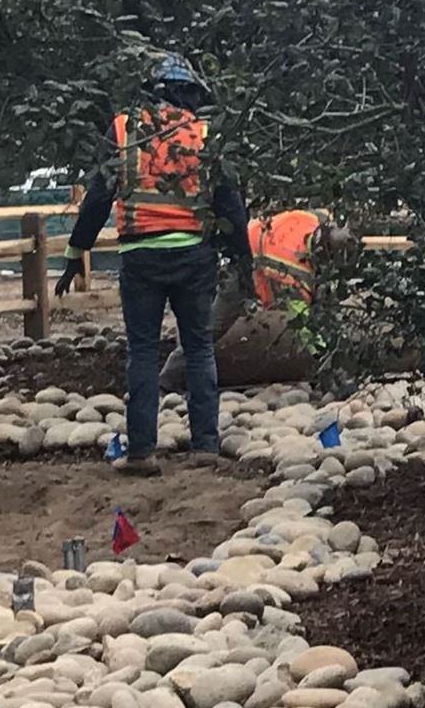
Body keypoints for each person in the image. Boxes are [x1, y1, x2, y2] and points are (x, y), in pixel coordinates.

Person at [57, 54, 250, 474]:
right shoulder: (203, 135)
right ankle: (204, 447)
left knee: (143, 351)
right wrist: (244, 262)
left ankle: (142, 452)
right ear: (189, 94)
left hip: (140, 256)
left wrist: (76, 254)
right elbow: (230, 204)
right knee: (198, 347)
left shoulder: (126, 130)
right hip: (194, 256)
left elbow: (96, 200)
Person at [159, 207, 354, 389]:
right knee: (212, 328)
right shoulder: (289, 271)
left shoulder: (310, 219)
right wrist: (329, 363)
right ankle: (169, 377)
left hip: (246, 241)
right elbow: (303, 323)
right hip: (240, 268)